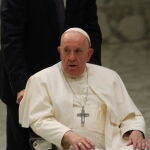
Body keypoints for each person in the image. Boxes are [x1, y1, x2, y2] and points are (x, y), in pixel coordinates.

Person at [19, 28, 149, 150]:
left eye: (78, 51)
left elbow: (129, 115)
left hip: (111, 143)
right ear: (59, 51)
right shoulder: (41, 80)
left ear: (89, 54)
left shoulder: (109, 77)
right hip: (68, 146)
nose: (71, 57)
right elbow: (40, 120)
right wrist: (69, 136)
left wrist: (135, 131)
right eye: (66, 50)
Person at [0, 0, 102, 150]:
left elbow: (91, 29)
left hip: (71, 80)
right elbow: (11, 38)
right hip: (27, 82)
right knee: (24, 144)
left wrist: (92, 74)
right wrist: (22, 86)